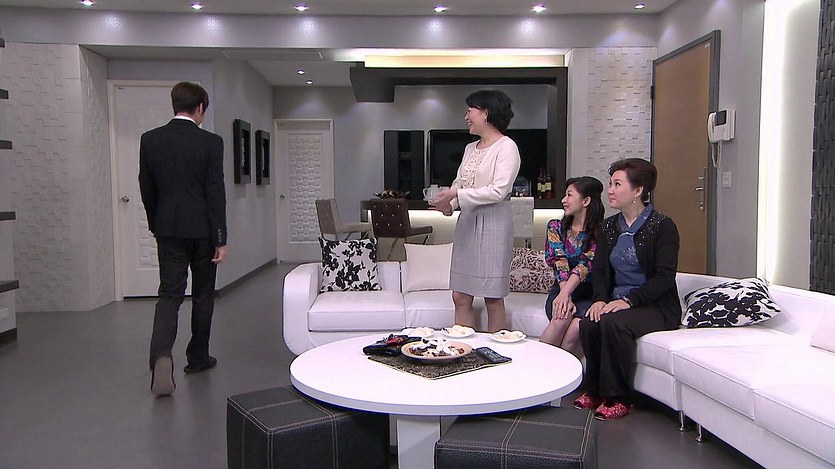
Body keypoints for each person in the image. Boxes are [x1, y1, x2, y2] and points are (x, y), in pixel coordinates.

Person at [573, 158, 680, 420]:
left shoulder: (662, 226)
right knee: (590, 321)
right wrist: (599, 299)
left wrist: (629, 301)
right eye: (610, 184)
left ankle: (620, 397)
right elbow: (600, 271)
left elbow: (664, 278)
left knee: (613, 323)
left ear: (638, 191)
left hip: (654, 305)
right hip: (616, 302)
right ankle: (594, 390)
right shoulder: (609, 227)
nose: (610, 190)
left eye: (617, 184)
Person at [139, 82, 228, 397]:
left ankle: (161, 357)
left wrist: (157, 224)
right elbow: (214, 192)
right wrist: (220, 238)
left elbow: (147, 188)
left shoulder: (150, 140)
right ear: (200, 107)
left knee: (169, 295)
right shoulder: (211, 143)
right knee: (203, 295)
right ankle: (198, 358)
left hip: (169, 229)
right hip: (203, 231)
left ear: (175, 104)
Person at [429, 90, 521, 332]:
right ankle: (463, 349)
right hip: (468, 223)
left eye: (469, 111)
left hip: (494, 225)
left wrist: (457, 196)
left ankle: (496, 351)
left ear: (486, 113)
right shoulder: (470, 148)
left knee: (492, 297)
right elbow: (460, 183)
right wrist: (448, 204)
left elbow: (499, 190)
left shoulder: (507, 147)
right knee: (460, 295)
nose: (466, 116)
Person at [540, 176, 604, 358]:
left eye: (569, 195)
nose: (563, 200)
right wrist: (564, 294)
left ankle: (557, 371)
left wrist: (566, 293)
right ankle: (536, 366)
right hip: (560, 289)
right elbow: (559, 260)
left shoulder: (601, 232)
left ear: (586, 201)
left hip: (588, 294)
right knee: (561, 317)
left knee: (576, 328)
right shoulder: (555, 226)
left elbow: (586, 264)